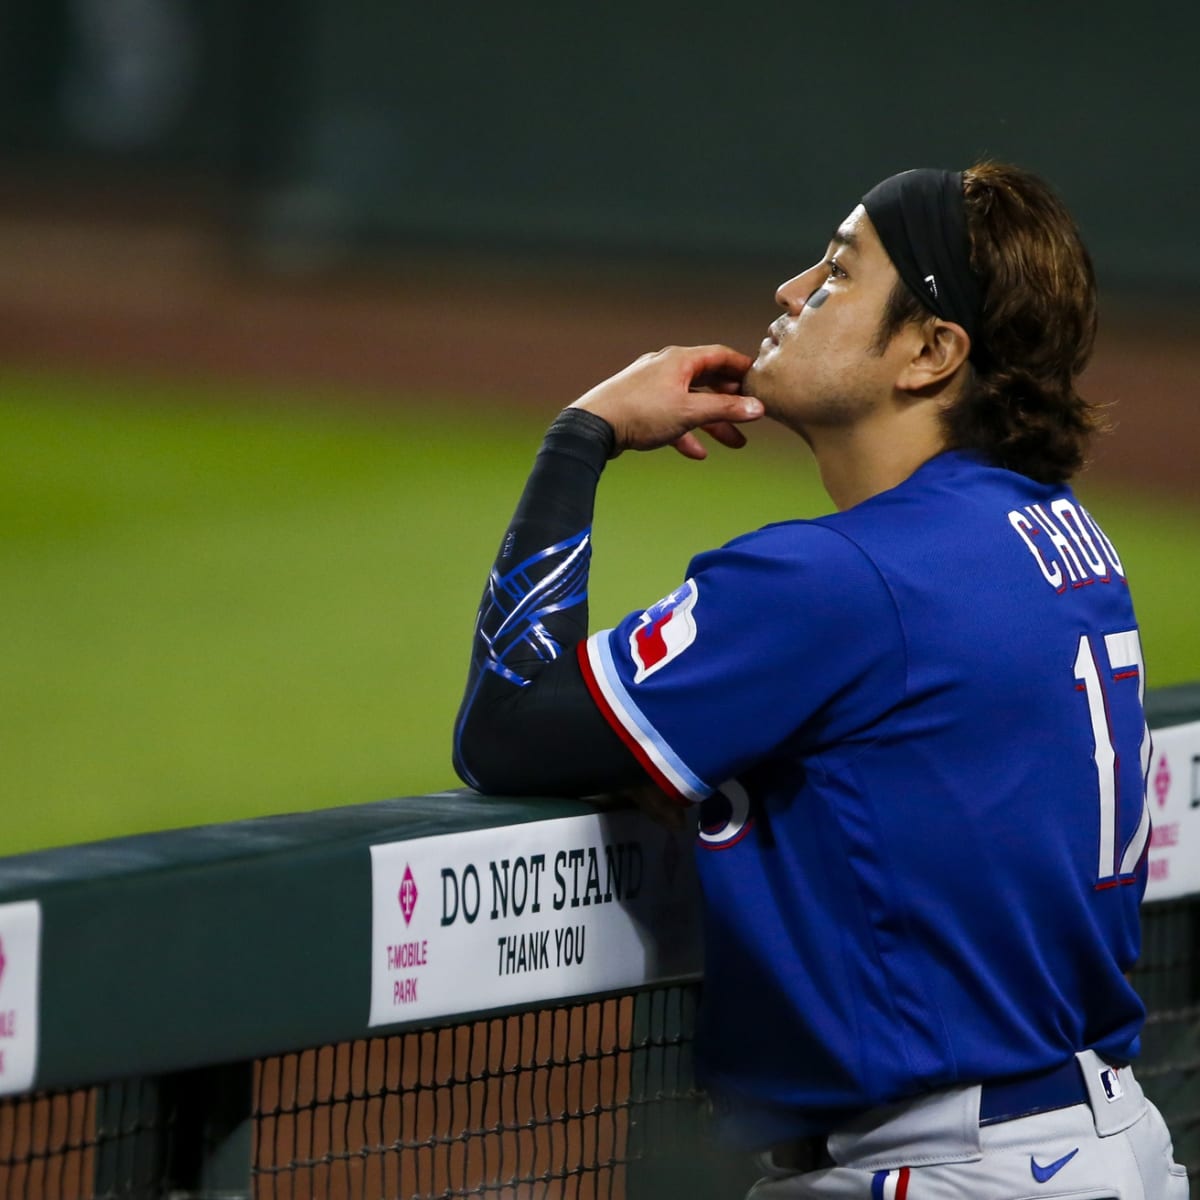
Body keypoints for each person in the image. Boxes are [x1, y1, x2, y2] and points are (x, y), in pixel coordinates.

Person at [452, 163, 1189, 1198]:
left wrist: (582, 437)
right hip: (1097, 1143)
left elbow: (510, 725)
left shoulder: (842, 580)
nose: (791, 292)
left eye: (839, 274)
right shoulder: (1056, 536)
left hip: (948, 1167)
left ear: (931, 353)